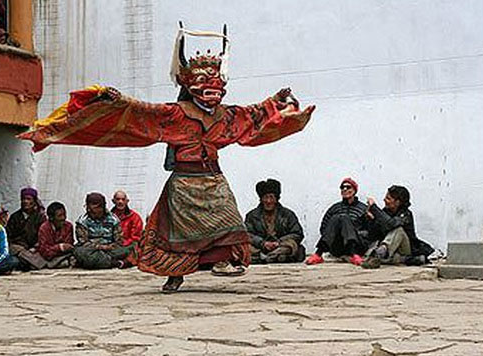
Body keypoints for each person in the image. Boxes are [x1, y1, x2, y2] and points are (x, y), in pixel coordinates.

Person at [18, 23, 315, 293]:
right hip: (184, 184)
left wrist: (276, 101)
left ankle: (221, 261)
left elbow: (252, 115)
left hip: (214, 179)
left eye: (215, 80)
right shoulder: (175, 114)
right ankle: (175, 275)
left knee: (231, 222)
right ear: (188, 84)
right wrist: (119, 100)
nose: (211, 87)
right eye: (202, 80)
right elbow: (143, 112)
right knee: (175, 235)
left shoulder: (226, 115)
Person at [361, 185, 435, 269]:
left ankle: (380, 254)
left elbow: (391, 224)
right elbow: (374, 234)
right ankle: (404, 260)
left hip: (404, 248)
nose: (384, 200)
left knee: (398, 229)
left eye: (388, 198)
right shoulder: (385, 212)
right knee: (388, 255)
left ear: (397, 202)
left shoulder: (406, 214)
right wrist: (372, 220)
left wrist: (374, 208)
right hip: (391, 250)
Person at [306, 178, 369, 266]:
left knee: (344, 218)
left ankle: (354, 254)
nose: (345, 189)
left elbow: (370, 232)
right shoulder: (334, 208)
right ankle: (318, 254)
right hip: (338, 247)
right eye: (342, 187)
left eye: (348, 187)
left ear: (354, 190)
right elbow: (324, 228)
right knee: (337, 217)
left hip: (358, 246)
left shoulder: (363, 209)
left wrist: (355, 234)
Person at [245, 179, 305, 264]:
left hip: (280, 246)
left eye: (271, 197)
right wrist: (263, 243)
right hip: (260, 248)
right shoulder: (252, 215)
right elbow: (247, 234)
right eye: (265, 197)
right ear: (261, 199)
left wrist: (278, 243)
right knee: (244, 247)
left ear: (276, 199)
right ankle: (268, 257)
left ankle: (268, 257)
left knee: (292, 245)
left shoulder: (287, 214)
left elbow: (297, 234)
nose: (268, 201)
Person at [74, 192, 128, 270]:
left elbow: (119, 240)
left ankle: (98, 262)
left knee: (131, 247)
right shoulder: (82, 221)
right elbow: (83, 242)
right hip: (92, 250)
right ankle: (113, 263)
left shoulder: (113, 219)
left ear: (102, 207)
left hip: (110, 250)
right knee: (79, 251)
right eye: (88, 209)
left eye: (95, 211)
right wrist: (101, 247)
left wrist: (110, 247)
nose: (90, 212)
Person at [6, 188, 47, 271]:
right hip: (17, 249)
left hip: (33, 250)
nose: (25, 201)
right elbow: (8, 236)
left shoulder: (40, 217)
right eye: (23, 199)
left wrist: (35, 247)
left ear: (34, 201)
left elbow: (43, 237)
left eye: (28, 199)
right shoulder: (15, 217)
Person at [37, 202, 75, 269]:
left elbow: (69, 245)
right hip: (49, 257)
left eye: (64, 214)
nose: (63, 218)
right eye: (60, 216)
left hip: (63, 255)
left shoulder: (68, 226)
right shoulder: (44, 228)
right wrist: (59, 247)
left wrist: (58, 248)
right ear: (51, 218)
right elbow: (45, 251)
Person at [111, 190, 143, 267]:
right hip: (112, 246)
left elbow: (135, 237)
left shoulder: (135, 217)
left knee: (135, 248)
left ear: (127, 201)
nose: (120, 202)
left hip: (128, 245)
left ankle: (124, 263)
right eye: (118, 199)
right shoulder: (109, 217)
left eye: (123, 199)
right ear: (113, 201)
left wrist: (124, 244)